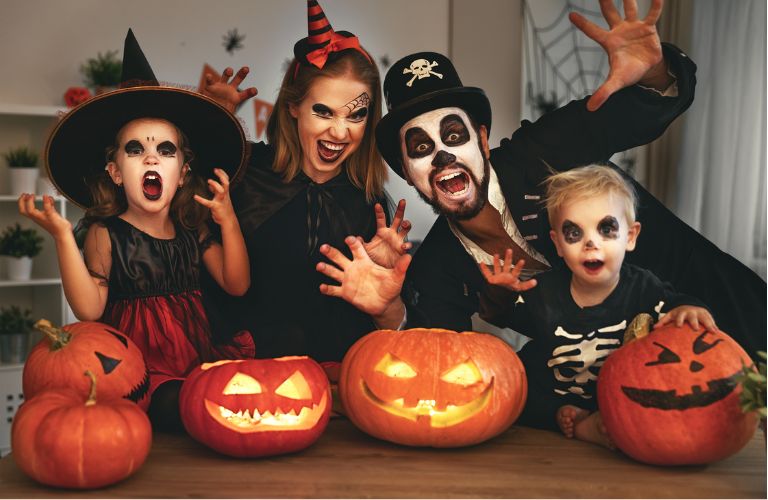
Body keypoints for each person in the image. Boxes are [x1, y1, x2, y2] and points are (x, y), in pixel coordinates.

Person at [316, 0, 766, 365]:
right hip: (626, 391)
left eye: (454, 135)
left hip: (730, 315)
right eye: (420, 148)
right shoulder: (440, 266)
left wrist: (652, 72)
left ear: (484, 140)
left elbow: (626, 117)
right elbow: (434, 358)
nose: (442, 155)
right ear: (409, 174)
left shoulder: (541, 153)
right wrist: (387, 310)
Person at [18, 30, 255, 430]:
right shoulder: (105, 234)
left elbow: (237, 285)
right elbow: (89, 310)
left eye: (165, 150)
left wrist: (227, 219)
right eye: (135, 150)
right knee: (169, 407)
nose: (150, 157)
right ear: (114, 172)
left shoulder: (190, 228)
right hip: (139, 371)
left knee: (224, 391)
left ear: (182, 174)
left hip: (197, 358)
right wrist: (61, 236)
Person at [200, 0, 412, 364]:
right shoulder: (242, 172)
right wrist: (210, 122)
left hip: (338, 387)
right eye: (323, 111)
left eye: (356, 115)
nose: (339, 131)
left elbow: (394, 331)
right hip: (242, 378)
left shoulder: (369, 203)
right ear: (292, 107)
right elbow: (170, 201)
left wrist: (385, 288)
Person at [478, 164, 716, 447]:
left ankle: (591, 421)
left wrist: (689, 306)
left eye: (606, 229)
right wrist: (501, 292)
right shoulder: (545, 289)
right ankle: (568, 419)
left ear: (630, 236)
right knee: (515, 393)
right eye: (574, 233)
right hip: (547, 391)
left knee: (647, 399)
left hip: (613, 395)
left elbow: (673, 302)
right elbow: (506, 315)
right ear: (557, 244)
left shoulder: (642, 287)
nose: (591, 242)